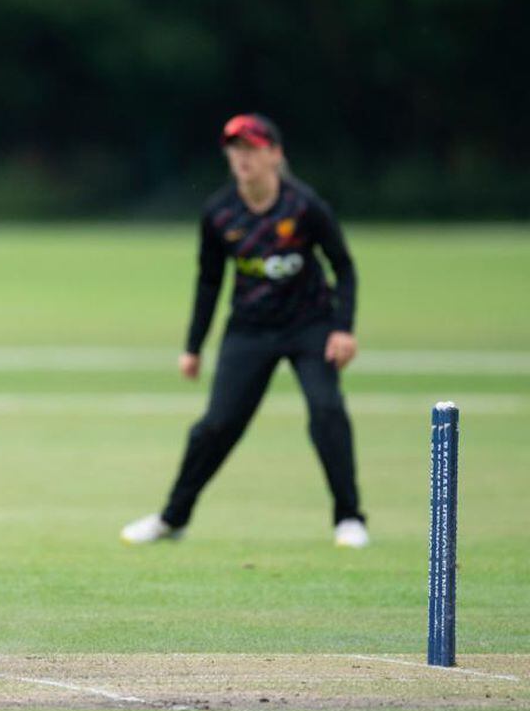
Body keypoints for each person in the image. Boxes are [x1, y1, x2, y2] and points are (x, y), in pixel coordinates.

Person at [120, 114, 368, 548]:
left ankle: (349, 518)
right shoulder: (220, 213)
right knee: (216, 427)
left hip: (310, 325)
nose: (242, 157)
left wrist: (342, 329)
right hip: (250, 330)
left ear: (275, 154)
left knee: (326, 411)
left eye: (252, 148)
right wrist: (193, 347)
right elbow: (209, 281)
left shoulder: (304, 207)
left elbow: (343, 267)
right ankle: (172, 518)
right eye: (235, 149)